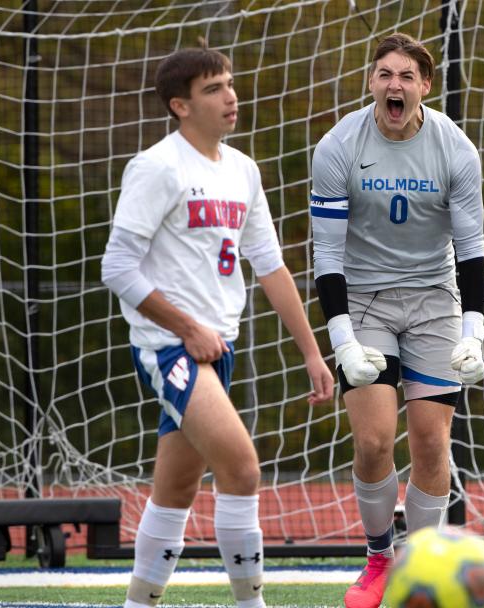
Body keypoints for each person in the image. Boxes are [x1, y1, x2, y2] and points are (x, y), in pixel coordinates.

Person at [101, 45, 334, 608]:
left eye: (229, 84)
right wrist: (186, 328)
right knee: (242, 467)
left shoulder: (242, 170)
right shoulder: (158, 167)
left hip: (216, 347)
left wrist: (311, 352)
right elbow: (116, 266)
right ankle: (250, 604)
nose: (230, 96)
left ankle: (138, 605)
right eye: (213, 89)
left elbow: (271, 266)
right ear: (180, 106)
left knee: (177, 489)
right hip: (170, 348)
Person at [309, 32, 484, 608]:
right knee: (373, 441)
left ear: (424, 87)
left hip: (435, 296)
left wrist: (474, 334)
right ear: (371, 81)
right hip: (363, 298)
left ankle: (421, 563)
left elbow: (472, 253)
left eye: (407, 76)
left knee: (433, 444)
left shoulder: (455, 149)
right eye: (385, 73)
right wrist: (342, 342)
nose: (395, 85)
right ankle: (379, 558)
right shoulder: (338, 147)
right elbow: (328, 258)